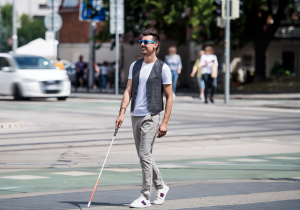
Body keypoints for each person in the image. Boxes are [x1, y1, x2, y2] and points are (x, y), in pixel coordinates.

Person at [115, 29, 173, 208]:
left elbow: (170, 96)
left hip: (152, 115)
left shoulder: (163, 67)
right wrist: (122, 111)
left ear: (155, 45)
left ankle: (145, 196)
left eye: (146, 42)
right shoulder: (135, 65)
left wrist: (164, 122)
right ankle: (161, 186)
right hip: (135, 115)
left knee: (144, 154)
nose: (142, 44)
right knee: (143, 156)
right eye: (141, 41)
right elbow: (128, 90)